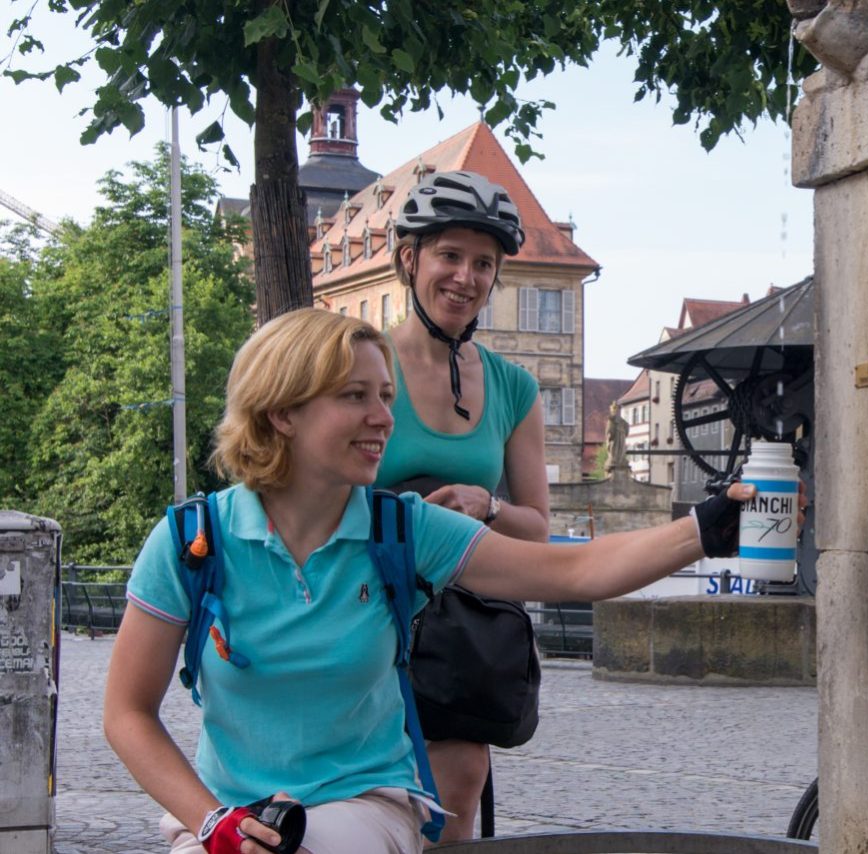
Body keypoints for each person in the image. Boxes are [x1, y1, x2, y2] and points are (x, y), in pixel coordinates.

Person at [104, 309, 750, 854]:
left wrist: (702, 529)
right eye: (354, 396)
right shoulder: (194, 542)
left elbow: (573, 569)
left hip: (364, 805)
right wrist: (213, 820)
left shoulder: (402, 529)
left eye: (385, 395)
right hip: (228, 821)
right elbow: (127, 713)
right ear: (281, 412)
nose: (383, 416)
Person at [374, 169, 550, 841]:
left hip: (458, 625)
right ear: (409, 258)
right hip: (360, 601)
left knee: (455, 790)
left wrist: (488, 504)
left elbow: (536, 530)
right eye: (449, 255)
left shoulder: (513, 387)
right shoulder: (358, 360)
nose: (465, 277)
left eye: (484, 263)